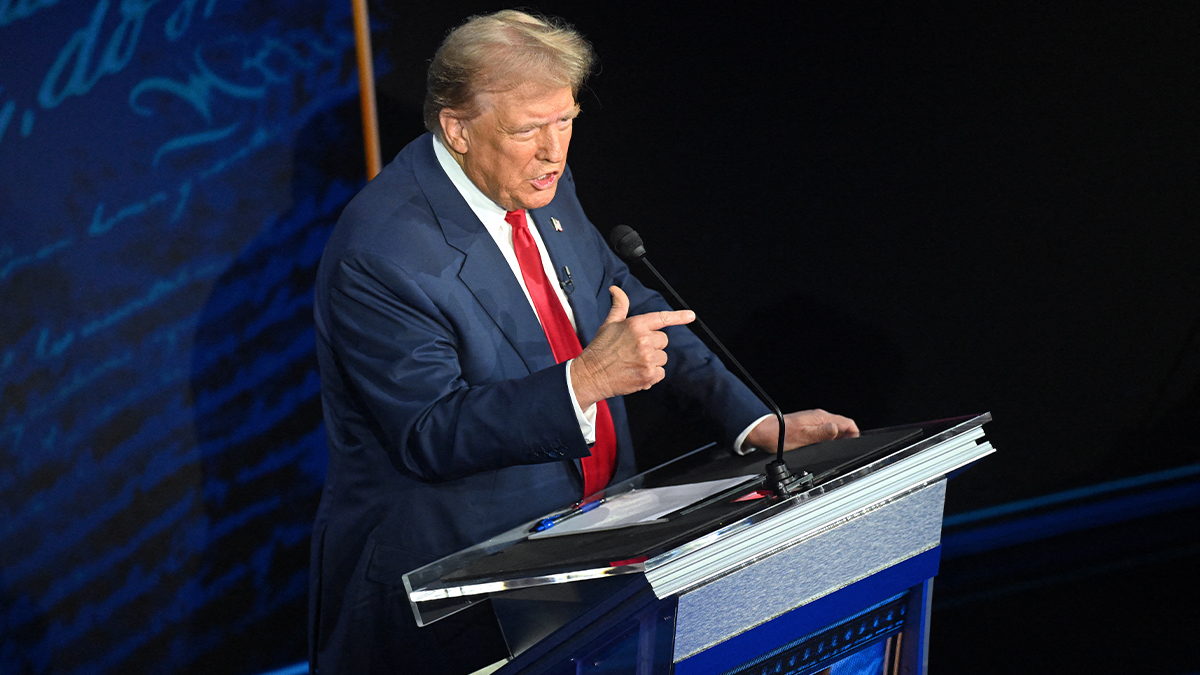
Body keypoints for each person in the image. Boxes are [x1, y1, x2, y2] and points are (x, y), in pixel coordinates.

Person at [308, 10, 857, 674]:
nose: (554, 151)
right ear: (456, 127)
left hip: (593, 569)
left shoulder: (539, 180)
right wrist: (585, 381)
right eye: (528, 129)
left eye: (565, 120)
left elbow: (620, 296)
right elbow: (430, 430)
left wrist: (754, 421)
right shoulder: (382, 252)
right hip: (460, 606)